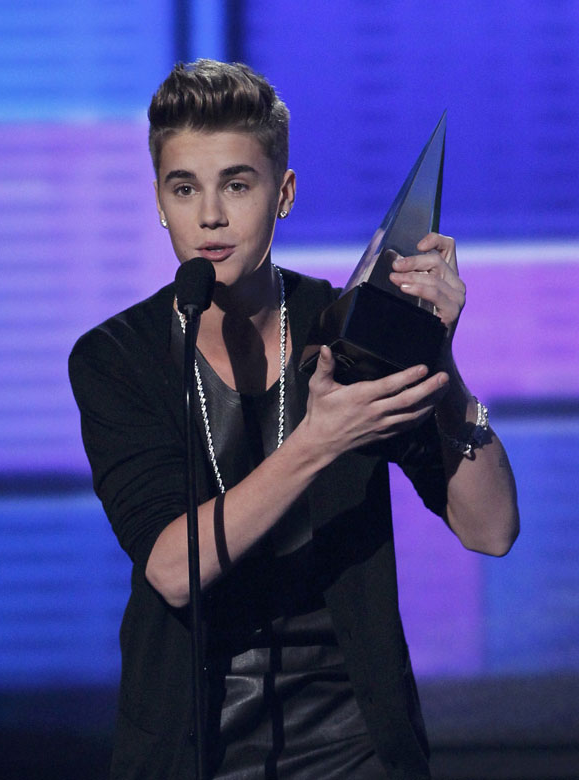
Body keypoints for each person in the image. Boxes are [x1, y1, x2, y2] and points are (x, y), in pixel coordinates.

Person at [69, 59, 519, 780]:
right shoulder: (116, 357)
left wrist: (441, 363)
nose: (209, 216)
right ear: (159, 201)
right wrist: (318, 443)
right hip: (193, 742)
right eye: (184, 188)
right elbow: (172, 571)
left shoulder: (340, 327)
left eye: (237, 185)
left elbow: (491, 529)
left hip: (353, 741)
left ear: (283, 194)